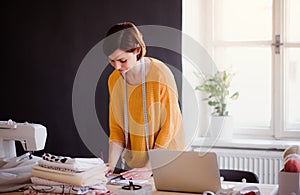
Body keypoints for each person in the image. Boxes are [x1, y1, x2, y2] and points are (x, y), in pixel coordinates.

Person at [103, 22, 185, 180]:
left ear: (137, 50)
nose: (117, 66)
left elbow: (169, 126)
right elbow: (116, 128)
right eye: (112, 61)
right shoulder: (114, 80)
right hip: (137, 166)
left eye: (122, 60)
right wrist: (110, 165)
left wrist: (149, 168)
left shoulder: (160, 74)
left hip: (168, 160)